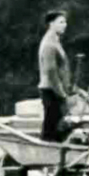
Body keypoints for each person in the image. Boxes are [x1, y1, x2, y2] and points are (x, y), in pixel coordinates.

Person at [37, 10, 75, 144]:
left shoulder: (55, 41)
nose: (65, 25)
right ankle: (46, 155)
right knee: (52, 127)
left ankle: (59, 156)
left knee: (57, 127)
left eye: (65, 22)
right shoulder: (49, 43)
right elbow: (51, 71)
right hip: (51, 91)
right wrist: (62, 93)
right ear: (51, 24)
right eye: (61, 22)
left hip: (55, 90)